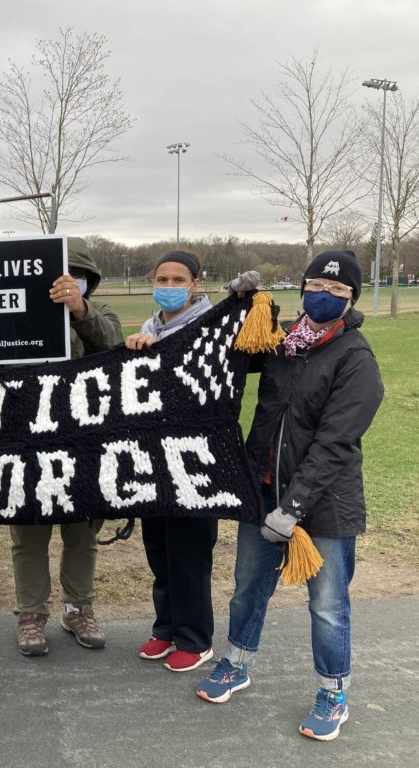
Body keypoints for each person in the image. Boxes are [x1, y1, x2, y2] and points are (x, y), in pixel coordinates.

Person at [196, 250, 383, 742]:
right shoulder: (285, 344)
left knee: (327, 604)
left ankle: (333, 693)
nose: (324, 295)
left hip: (323, 506)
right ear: (301, 288)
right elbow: (231, 349)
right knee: (247, 586)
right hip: (263, 490)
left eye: (338, 291)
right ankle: (235, 663)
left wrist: (293, 508)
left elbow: (334, 442)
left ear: (350, 300)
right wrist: (238, 303)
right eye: (317, 284)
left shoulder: (356, 359)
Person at [0, 237, 123, 657]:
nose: (71, 281)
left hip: (83, 443)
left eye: (79, 276)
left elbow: (114, 348)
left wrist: (79, 311)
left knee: (81, 533)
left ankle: (79, 608)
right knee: (29, 534)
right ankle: (30, 614)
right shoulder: (12, 316)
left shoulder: (99, 313)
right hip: (24, 443)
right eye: (65, 275)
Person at [125, 250, 218, 672]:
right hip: (152, 458)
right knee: (159, 549)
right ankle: (165, 628)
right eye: (162, 277)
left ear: (195, 284)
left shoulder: (213, 327)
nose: (169, 285)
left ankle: (195, 639)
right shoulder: (148, 329)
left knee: (189, 553)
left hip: (195, 461)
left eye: (179, 279)